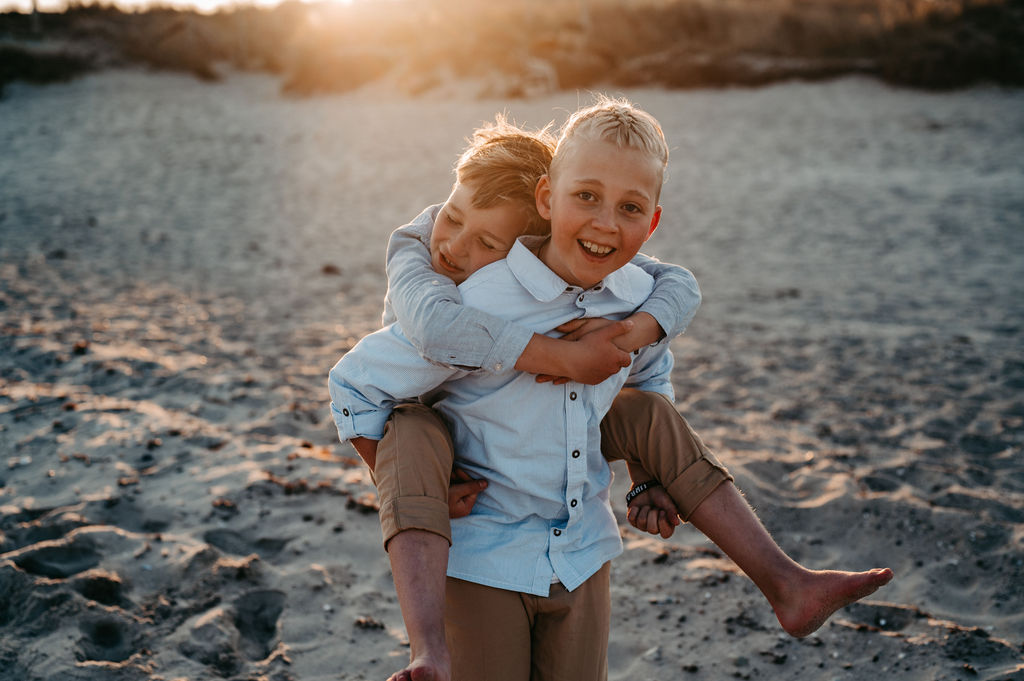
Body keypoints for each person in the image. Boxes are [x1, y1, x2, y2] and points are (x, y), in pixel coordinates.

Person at [332, 99, 893, 681]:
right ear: (549, 201)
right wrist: (404, 483)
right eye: (587, 197)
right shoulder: (479, 302)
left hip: (580, 549)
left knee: (647, 411)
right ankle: (429, 654)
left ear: (651, 223)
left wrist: (650, 476)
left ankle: (788, 584)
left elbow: (651, 372)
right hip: (483, 553)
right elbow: (356, 385)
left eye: (628, 207)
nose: (604, 222)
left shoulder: (634, 298)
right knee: (412, 429)